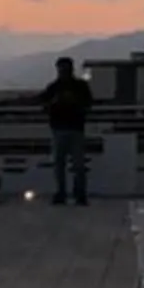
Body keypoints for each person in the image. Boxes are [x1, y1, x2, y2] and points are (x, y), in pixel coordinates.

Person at [41, 55, 93, 205]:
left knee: (70, 165)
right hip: (67, 128)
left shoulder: (60, 87)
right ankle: (72, 194)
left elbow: (88, 103)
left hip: (68, 128)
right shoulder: (60, 87)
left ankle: (69, 194)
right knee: (70, 165)